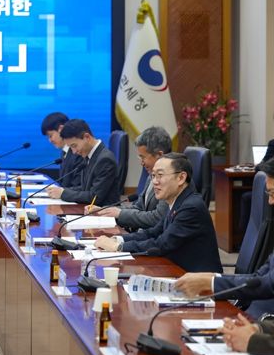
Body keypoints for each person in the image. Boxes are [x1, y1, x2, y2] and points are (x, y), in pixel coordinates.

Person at [174, 158, 274, 317]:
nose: (270, 202)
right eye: (269, 194)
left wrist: (210, 283)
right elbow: (260, 277)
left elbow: (267, 284)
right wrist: (212, 278)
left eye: (273, 193)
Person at [94, 153, 222, 273]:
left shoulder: (191, 207)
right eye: (153, 176)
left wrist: (119, 247)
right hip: (174, 270)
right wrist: (117, 239)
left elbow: (161, 244)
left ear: (181, 178)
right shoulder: (176, 201)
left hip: (196, 279)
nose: (154, 182)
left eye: (160, 175)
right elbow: (152, 232)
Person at [86, 126, 171, 231]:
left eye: (143, 157)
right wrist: (105, 211)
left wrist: (119, 214)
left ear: (159, 155)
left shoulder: (171, 180)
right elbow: (139, 207)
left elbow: (157, 218)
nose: (141, 163)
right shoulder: (151, 175)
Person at [46, 119, 121, 205]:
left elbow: (94, 197)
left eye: (74, 146)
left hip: (103, 211)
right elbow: (85, 188)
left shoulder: (104, 160)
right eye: (71, 147)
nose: (74, 152)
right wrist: (61, 191)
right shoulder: (89, 155)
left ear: (87, 137)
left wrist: (63, 194)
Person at [40, 112, 83, 188]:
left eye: (50, 136)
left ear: (61, 129)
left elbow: (79, 186)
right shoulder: (64, 152)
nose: (50, 140)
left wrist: (61, 192)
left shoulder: (78, 152)